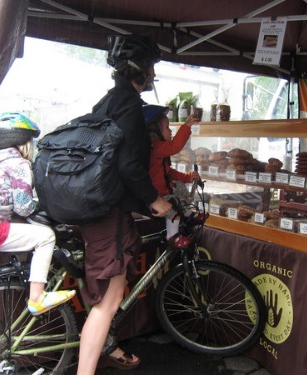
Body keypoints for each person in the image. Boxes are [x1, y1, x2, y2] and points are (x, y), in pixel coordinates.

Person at [76, 34, 172, 374]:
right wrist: (154, 200)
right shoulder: (130, 106)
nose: (153, 76)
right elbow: (130, 165)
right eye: (151, 68)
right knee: (109, 301)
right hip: (108, 213)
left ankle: (109, 345)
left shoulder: (107, 101)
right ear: (140, 70)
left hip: (93, 207)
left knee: (102, 294)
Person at [0, 112, 76, 316]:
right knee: (46, 237)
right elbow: (23, 207)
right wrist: (41, 204)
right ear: (24, 143)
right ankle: (37, 298)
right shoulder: (19, 164)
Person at [143, 104, 200, 240]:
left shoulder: (157, 150)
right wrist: (186, 126)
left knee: (180, 189)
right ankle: (173, 235)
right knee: (173, 211)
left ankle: (187, 212)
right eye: (167, 128)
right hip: (158, 197)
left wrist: (187, 177)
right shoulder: (155, 147)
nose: (170, 131)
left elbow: (168, 172)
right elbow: (175, 146)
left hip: (163, 191)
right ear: (154, 131)